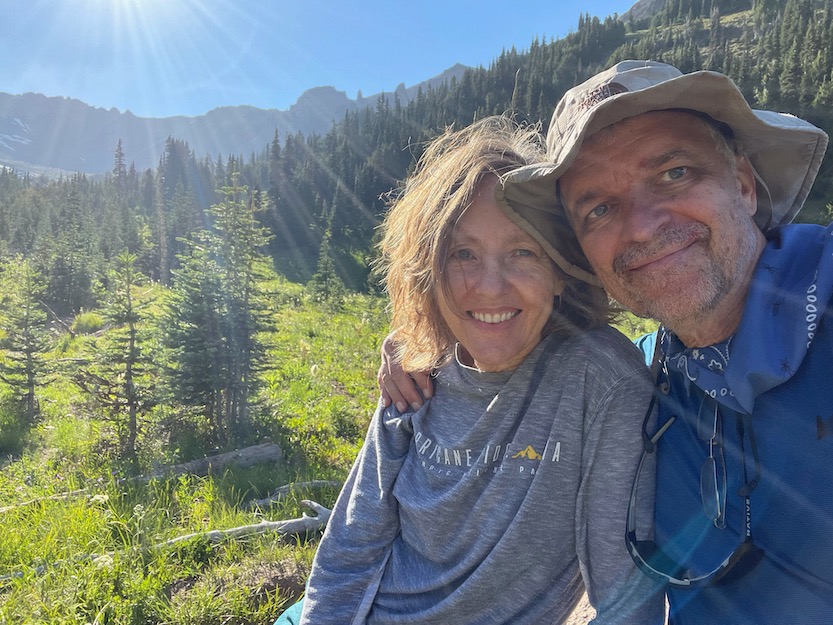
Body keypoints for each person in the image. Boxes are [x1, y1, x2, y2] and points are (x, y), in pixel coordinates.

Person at [381, 60, 833, 624]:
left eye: (674, 173)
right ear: (585, 254)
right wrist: (422, 344)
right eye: (599, 208)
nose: (642, 226)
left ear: (743, 185)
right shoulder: (647, 373)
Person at [278, 116, 663, 625]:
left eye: (523, 251)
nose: (489, 286)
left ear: (561, 272)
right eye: (462, 254)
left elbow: (624, 595)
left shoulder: (598, 382)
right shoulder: (415, 371)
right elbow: (352, 546)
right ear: (429, 270)